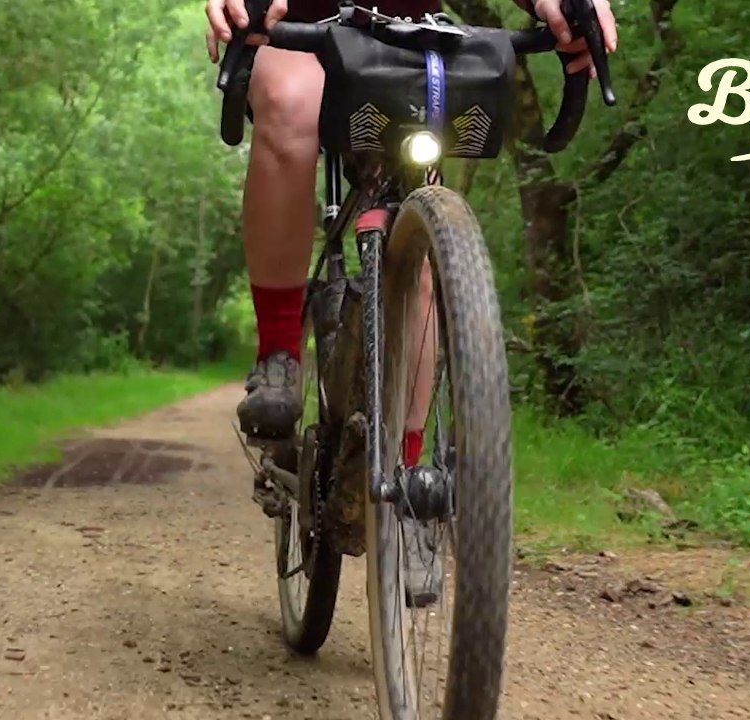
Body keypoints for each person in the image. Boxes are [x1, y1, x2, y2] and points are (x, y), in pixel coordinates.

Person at [204, 0, 617, 605]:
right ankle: (278, 357)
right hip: (300, 25)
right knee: (290, 107)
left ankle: (414, 481)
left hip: (415, 42)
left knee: (421, 249)